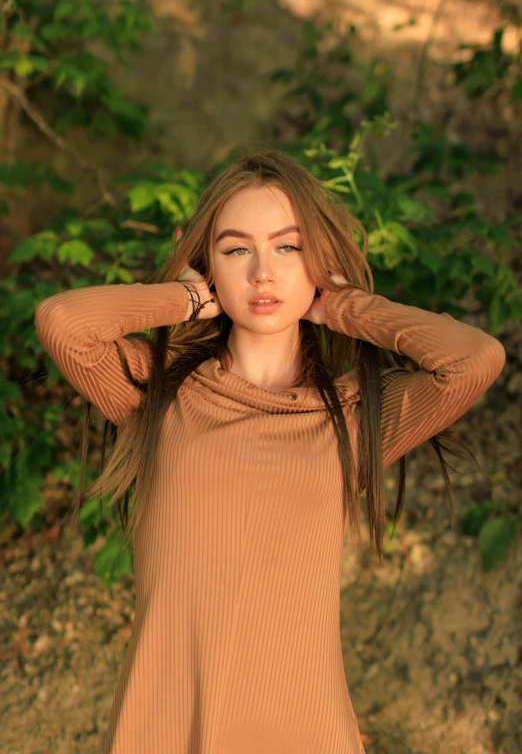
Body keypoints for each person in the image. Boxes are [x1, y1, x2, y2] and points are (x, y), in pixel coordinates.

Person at [34, 146, 506, 754]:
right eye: (237, 250)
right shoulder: (157, 393)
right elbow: (63, 323)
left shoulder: (355, 419)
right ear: (208, 263)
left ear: (319, 258)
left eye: (289, 247)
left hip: (304, 729)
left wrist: (341, 304)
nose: (264, 273)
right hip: (168, 725)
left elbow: (474, 360)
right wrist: (187, 300)